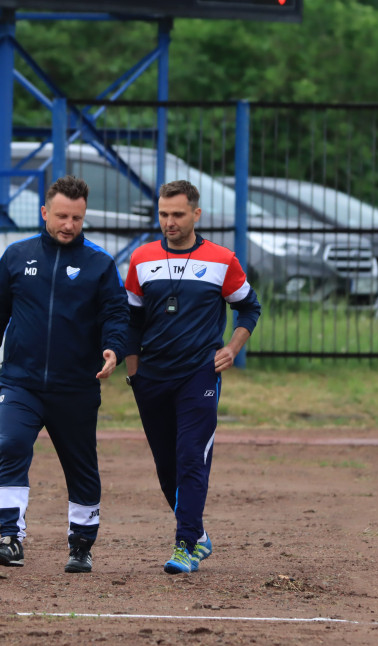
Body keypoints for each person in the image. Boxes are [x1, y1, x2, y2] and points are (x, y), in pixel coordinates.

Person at [0, 175, 128, 574]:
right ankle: (10, 537)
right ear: (45, 212)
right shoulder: (16, 256)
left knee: (81, 466)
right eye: (61, 216)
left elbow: (115, 314)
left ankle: (81, 545)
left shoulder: (100, 264)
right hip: (21, 382)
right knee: (13, 445)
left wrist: (113, 347)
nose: (68, 225)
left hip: (76, 386)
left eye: (76, 218)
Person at [124, 179, 262, 574]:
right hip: (151, 377)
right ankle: (198, 534)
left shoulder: (222, 259)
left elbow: (249, 308)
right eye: (164, 214)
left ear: (196, 214)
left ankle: (184, 545)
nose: (169, 222)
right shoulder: (141, 259)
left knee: (190, 458)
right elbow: (130, 319)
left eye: (178, 214)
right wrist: (134, 372)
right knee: (167, 467)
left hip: (198, 375)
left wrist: (232, 348)